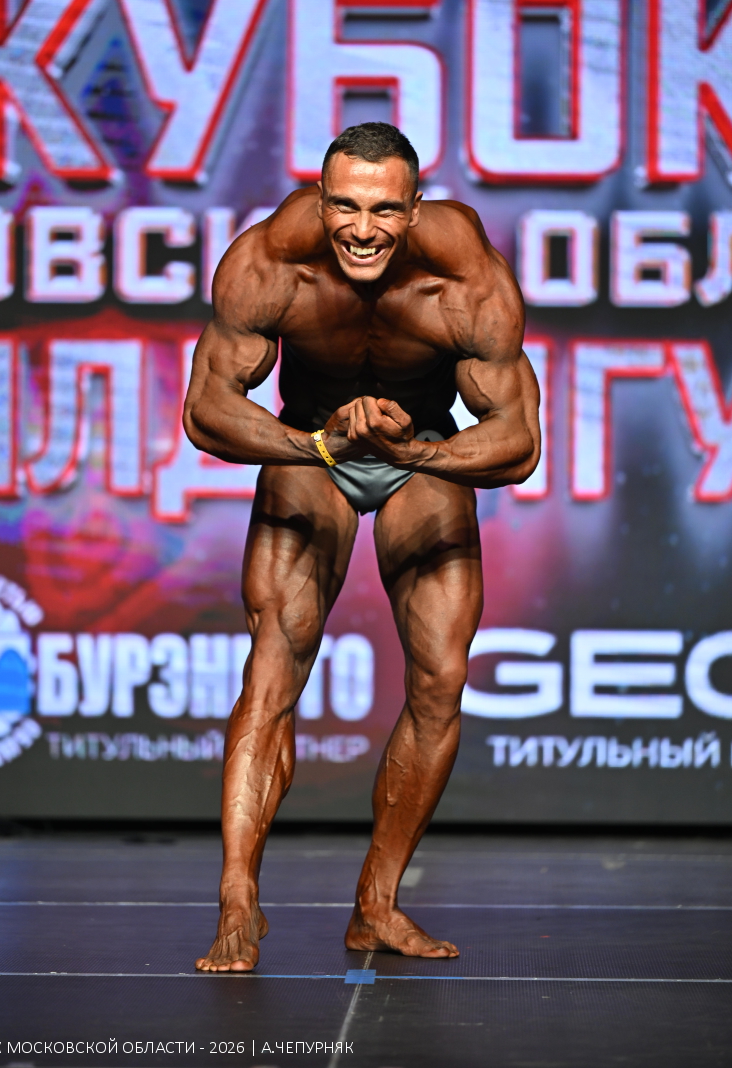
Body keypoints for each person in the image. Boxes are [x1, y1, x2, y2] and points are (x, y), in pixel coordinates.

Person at [183, 122, 540, 971]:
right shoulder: (272, 261)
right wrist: (319, 445)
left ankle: (376, 905)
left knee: (441, 678)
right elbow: (206, 410)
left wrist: (412, 452)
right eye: (344, 205)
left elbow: (518, 440)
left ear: (414, 209)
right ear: (320, 197)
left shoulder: (466, 275)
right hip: (312, 446)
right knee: (273, 664)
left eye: (383, 210)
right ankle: (237, 900)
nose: (362, 228)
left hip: (421, 454)